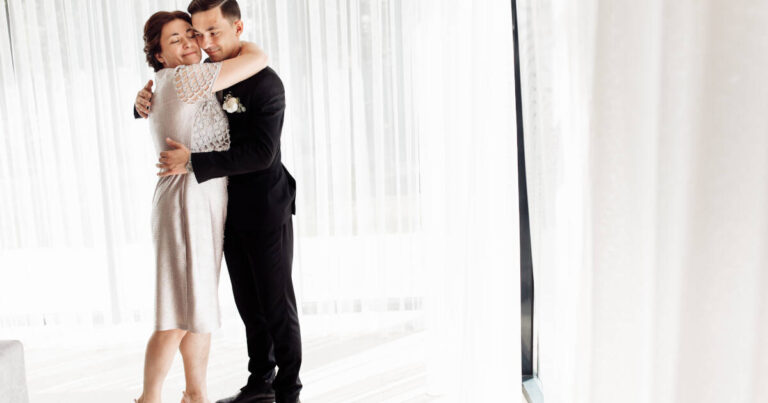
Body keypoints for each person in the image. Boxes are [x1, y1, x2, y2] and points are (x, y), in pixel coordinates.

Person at [135, 1, 302, 402]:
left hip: (256, 204)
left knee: (263, 305)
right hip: (202, 205)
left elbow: (262, 152)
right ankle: (247, 384)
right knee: (209, 306)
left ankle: (283, 390)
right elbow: (172, 98)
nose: (199, 42)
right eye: (189, 35)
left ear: (236, 27)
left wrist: (190, 157)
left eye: (202, 33)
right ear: (159, 54)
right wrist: (144, 99)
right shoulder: (192, 77)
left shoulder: (255, 80)